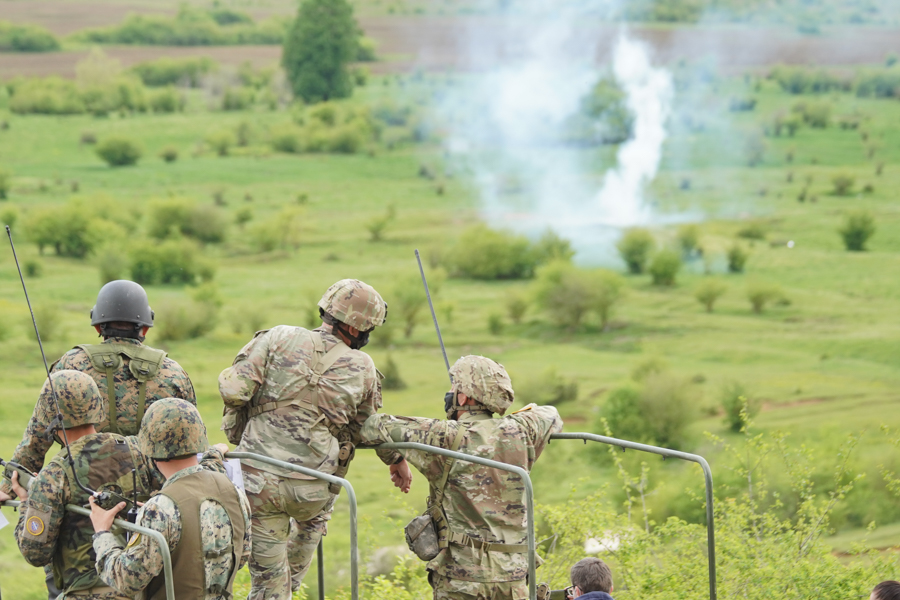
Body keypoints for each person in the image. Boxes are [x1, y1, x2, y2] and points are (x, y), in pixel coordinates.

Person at [218, 278, 413, 599]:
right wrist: (397, 460)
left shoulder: (278, 337)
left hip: (256, 486)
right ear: (357, 328)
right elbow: (368, 428)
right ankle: (289, 585)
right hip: (312, 491)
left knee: (268, 586)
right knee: (287, 582)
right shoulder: (363, 366)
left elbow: (234, 391)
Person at [360, 354, 563, 600]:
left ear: (464, 397)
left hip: (462, 579)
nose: (449, 393)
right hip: (515, 578)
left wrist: (396, 460)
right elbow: (551, 415)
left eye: (453, 387)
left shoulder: (443, 436)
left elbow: (373, 426)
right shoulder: (520, 430)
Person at [1, 280, 195, 501]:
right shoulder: (174, 372)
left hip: (82, 494)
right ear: (145, 328)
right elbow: (191, 443)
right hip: (155, 502)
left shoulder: (71, 365)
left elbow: (39, 434)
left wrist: (8, 485)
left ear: (97, 326)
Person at [13, 370, 164, 599]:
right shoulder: (139, 450)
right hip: (144, 588)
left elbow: (35, 554)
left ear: (48, 415)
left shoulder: (54, 473)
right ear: (97, 406)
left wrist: (26, 502)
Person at [90, 398, 251, 600]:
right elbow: (242, 555)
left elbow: (127, 580)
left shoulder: (160, 509)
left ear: (149, 446)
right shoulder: (235, 493)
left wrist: (102, 532)